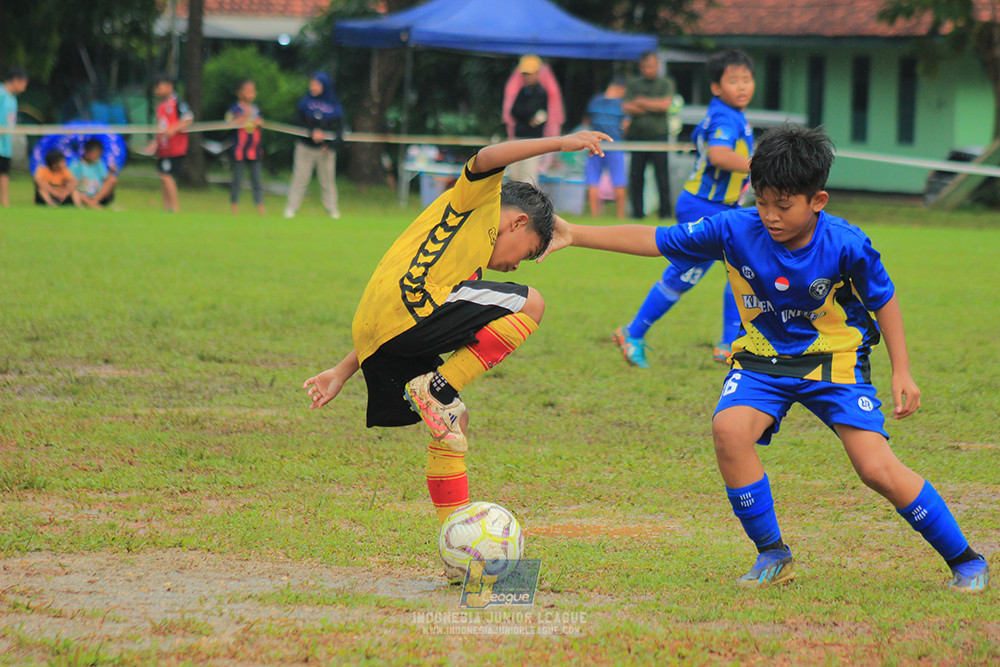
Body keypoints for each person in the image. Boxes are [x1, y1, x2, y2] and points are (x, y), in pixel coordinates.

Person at [543, 124, 990, 594]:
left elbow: (884, 298)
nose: (770, 215)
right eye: (762, 201)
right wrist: (575, 233)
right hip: (763, 356)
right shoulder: (735, 229)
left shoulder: (846, 243)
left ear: (817, 201)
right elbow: (658, 239)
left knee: (875, 468)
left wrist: (902, 369)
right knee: (729, 430)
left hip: (833, 361)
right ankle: (773, 554)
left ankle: (966, 559)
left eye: (783, 205)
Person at [302, 130, 611, 558]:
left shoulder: (464, 267)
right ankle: (439, 388)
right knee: (532, 303)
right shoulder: (477, 203)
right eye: (529, 251)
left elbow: (387, 324)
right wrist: (560, 142)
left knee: (454, 427)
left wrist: (342, 370)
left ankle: (459, 546)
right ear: (518, 222)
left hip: (383, 328)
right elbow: (487, 156)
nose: (519, 263)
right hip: (411, 307)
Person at [614, 49, 756, 368]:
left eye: (747, 79)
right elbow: (719, 155)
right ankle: (636, 332)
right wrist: (759, 166)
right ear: (716, 87)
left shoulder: (730, 113)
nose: (743, 86)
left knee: (732, 268)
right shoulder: (724, 117)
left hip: (716, 207)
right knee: (724, 269)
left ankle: (726, 344)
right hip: (704, 207)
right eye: (733, 80)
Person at [623, 51, 675, 221]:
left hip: (659, 136)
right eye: (645, 66)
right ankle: (637, 213)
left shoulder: (666, 83)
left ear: (658, 66)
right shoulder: (634, 83)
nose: (648, 70)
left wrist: (641, 102)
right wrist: (652, 105)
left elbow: (664, 105)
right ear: (641, 67)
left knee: (662, 176)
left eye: (651, 66)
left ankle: (665, 213)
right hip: (637, 136)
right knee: (636, 176)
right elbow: (626, 107)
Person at [284, 73, 343, 220]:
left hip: (325, 151)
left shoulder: (334, 105)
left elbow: (339, 128)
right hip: (305, 148)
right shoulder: (305, 103)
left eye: (316, 84)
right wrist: (312, 132)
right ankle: (291, 209)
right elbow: (298, 122)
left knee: (328, 181)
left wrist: (329, 145)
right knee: (300, 179)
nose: (313, 87)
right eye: (312, 84)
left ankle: (332, 210)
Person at [145, 74, 193, 213]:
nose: (157, 91)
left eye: (159, 87)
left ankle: (175, 208)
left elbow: (188, 119)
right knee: (163, 177)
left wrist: (174, 129)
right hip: (163, 148)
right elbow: (161, 128)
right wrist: (155, 143)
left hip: (176, 148)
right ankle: (167, 208)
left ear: (169, 86)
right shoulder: (160, 106)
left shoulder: (178, 103)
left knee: (167, 176)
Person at [583, 77, 629, 219]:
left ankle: (594, 215)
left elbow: (586, 121)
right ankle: (621, 216)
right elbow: (626, 124)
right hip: (615, 145)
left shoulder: (595, 101)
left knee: (593, 181)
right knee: (619, 181)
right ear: (620, 89)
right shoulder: (621, 104)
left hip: (595, 144)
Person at [504, 55, 550, 185]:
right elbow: (514, 111)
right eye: (524, 74)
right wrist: (527, 117)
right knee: (514, 175)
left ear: (537, 73)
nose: (526, 77)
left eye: (529, 74)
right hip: (519, 137)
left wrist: (525, 115)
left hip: (533, 140)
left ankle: (529, 205)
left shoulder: (541, 92)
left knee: (528, 177)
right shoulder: (523, 91)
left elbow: (530, 113)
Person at [226, 79, 265, 215]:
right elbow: (228, 123)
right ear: (240, 93)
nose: (251, 94)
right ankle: (234, 206)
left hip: (254, 151)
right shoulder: (235, 109)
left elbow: (260, 123)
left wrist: (260, 122)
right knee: (237, 180)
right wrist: (240, 120)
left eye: (253, 91)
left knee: (257, 180)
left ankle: (260, 207)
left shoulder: (256, 110)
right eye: (248, 91)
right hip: (239, 150)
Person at [1, 66, 29, 207]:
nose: (24, 88)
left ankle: (5, 202)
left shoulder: (13, 99)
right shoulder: (1, 93)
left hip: (5, 143)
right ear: (16, 80)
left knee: (4, 172)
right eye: (23, 84)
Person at [71, 138, 118, 209]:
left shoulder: (99, 163)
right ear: (87, 153)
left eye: (99, 154)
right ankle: (90, 203)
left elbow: (105, 179)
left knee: (112, 180)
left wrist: (111, 172)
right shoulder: (76, 165)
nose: (97, 156)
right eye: (95, 154)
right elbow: (72, 182)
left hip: (96, 191)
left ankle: (93, 202)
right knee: (80, 185)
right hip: (82, 191)